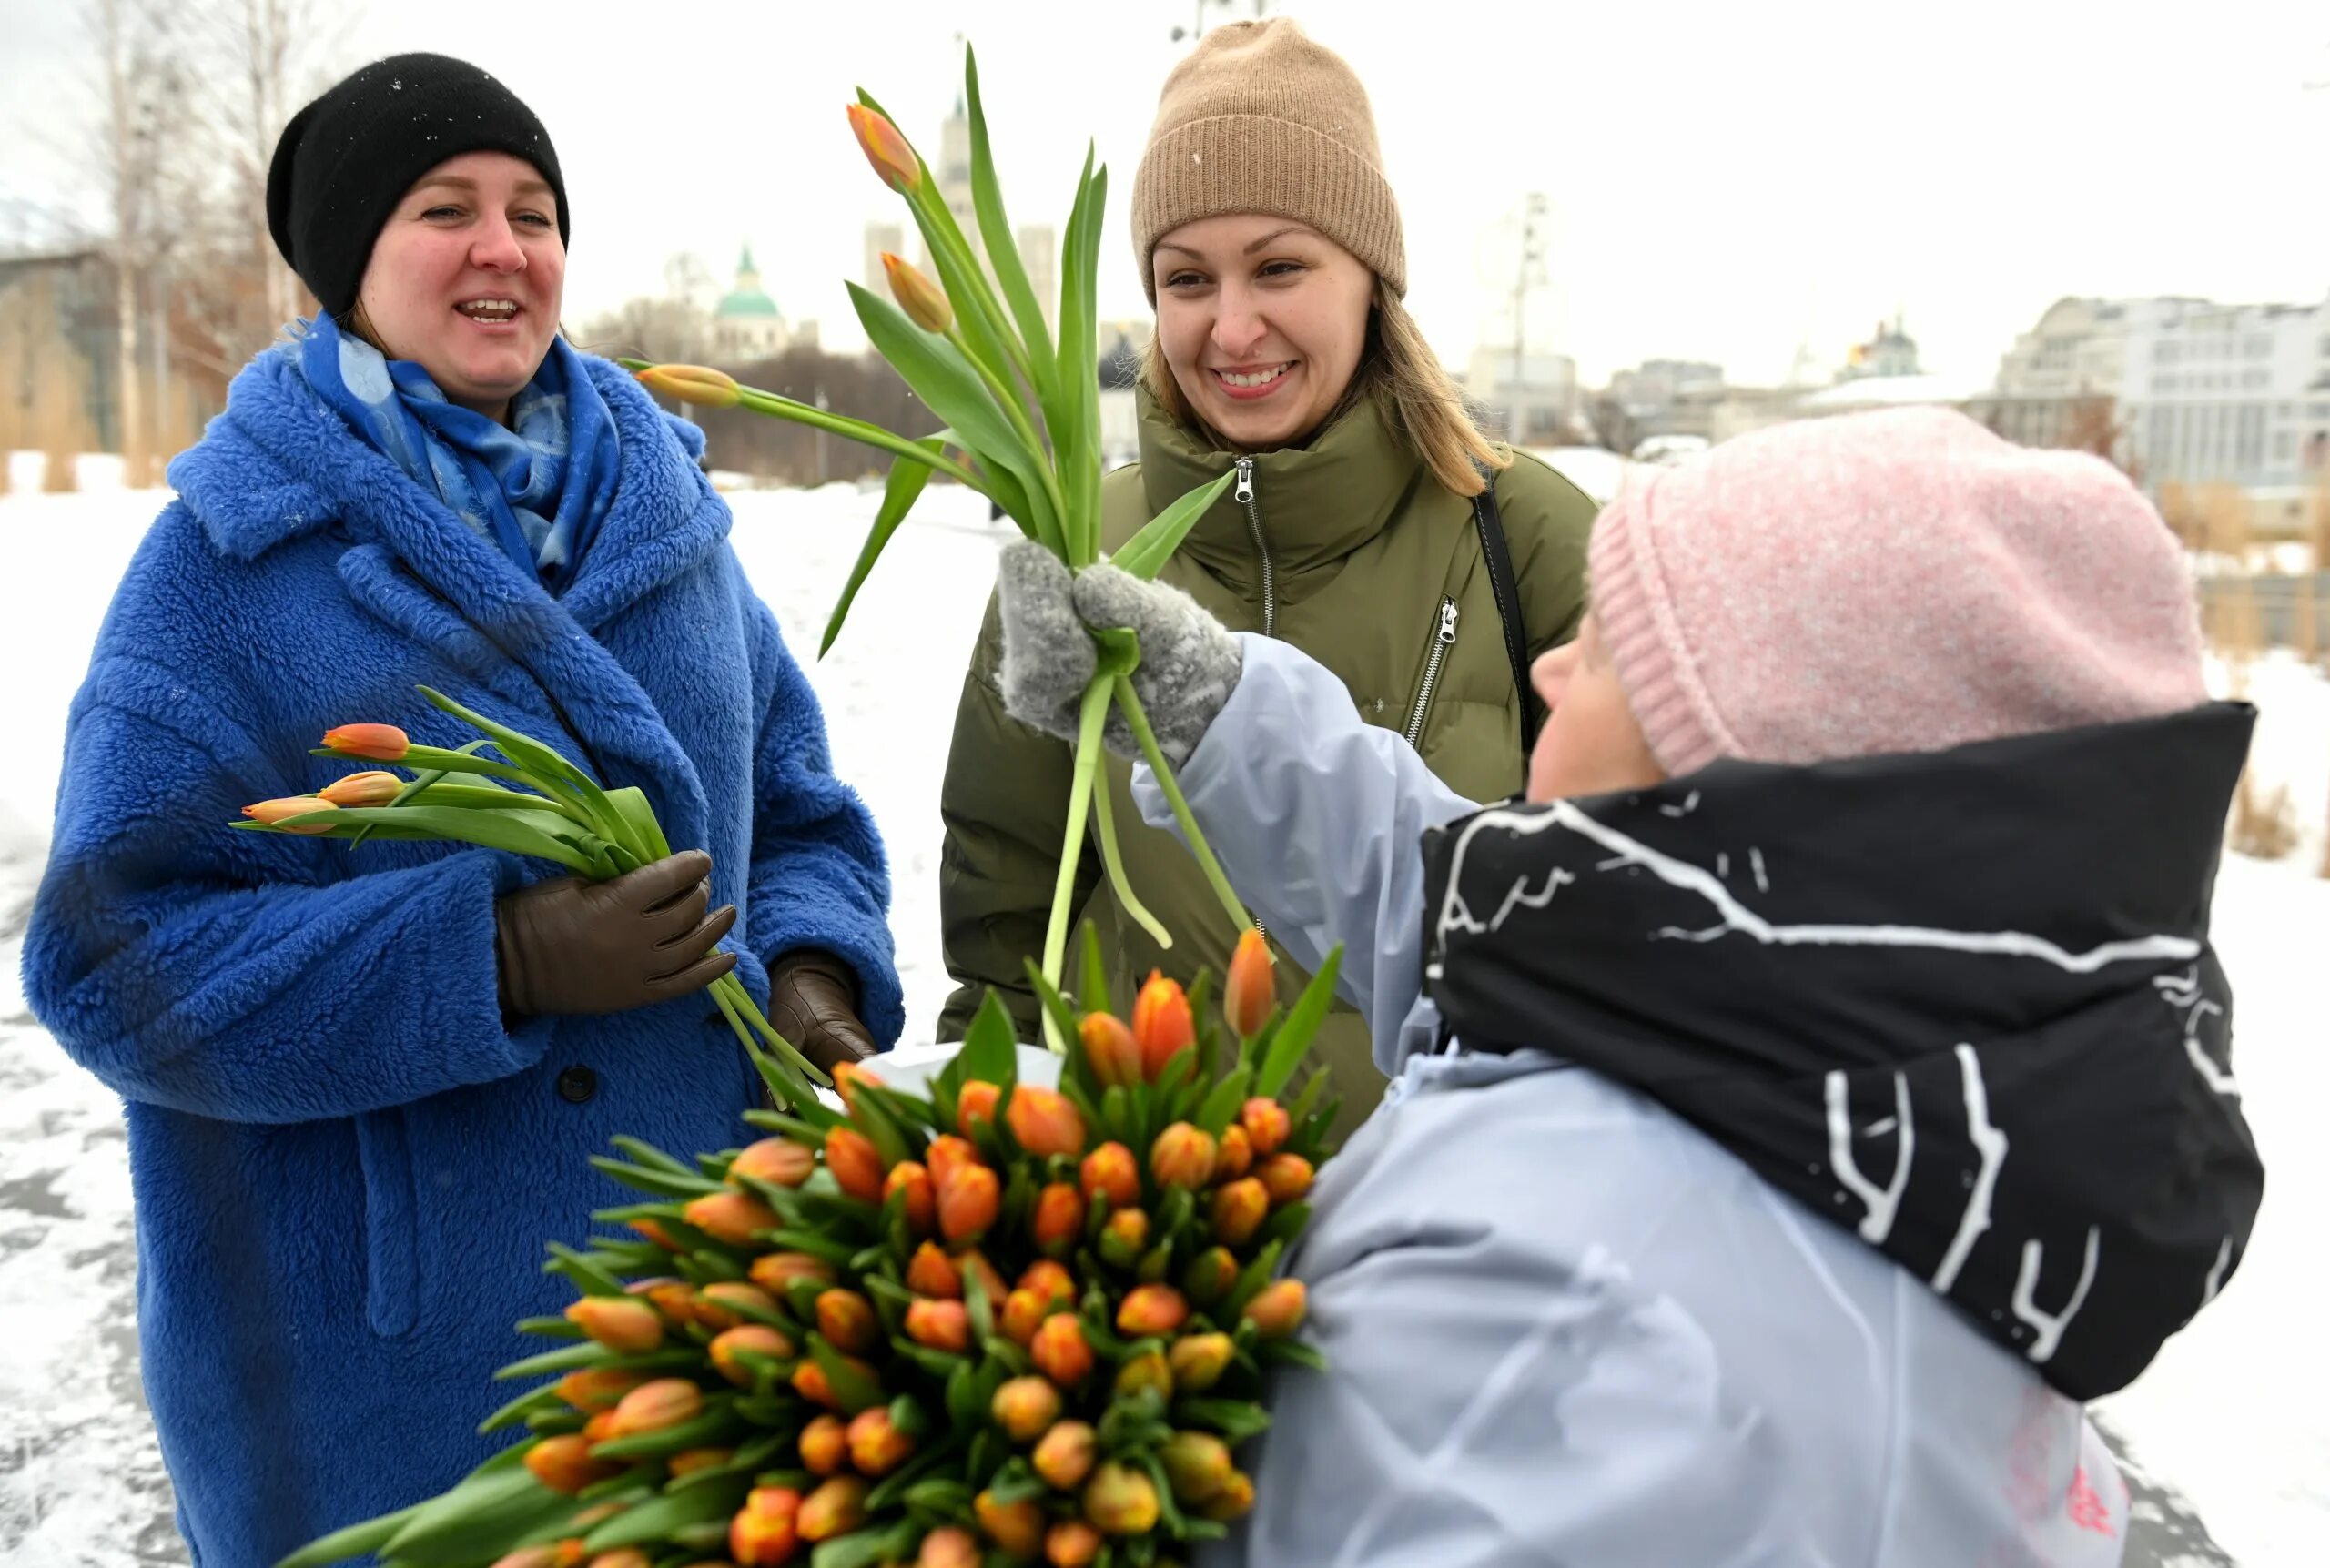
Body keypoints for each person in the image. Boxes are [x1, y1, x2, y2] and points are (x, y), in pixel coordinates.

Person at [995, 407, 2264, 1564]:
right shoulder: (1852, 1050)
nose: (1550, 669)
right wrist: (1210, 707)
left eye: (1606, 650)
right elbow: (1473, 920)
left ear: (1727, 776)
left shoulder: (1573, 1321)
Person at [22, 55, 900, 1563]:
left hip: (717, 1315)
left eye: (534, 210)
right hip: (395, 1383)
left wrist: (813, 993)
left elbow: (803, 813)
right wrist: (492, 956)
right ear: (353, 263)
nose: (505, 247)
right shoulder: (225, 566)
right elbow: (112, 960)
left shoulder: (668, 526)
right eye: (446, 209)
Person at [937, 17, 1596, 1135]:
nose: (1232, 327)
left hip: (1441, 1239)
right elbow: (1008, 905)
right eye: (1186, 278)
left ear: (1371, 275)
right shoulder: (1080, 541)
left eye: (1280, 266)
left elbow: (1642, 919)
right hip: (1133, 1223)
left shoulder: (1525, 533)